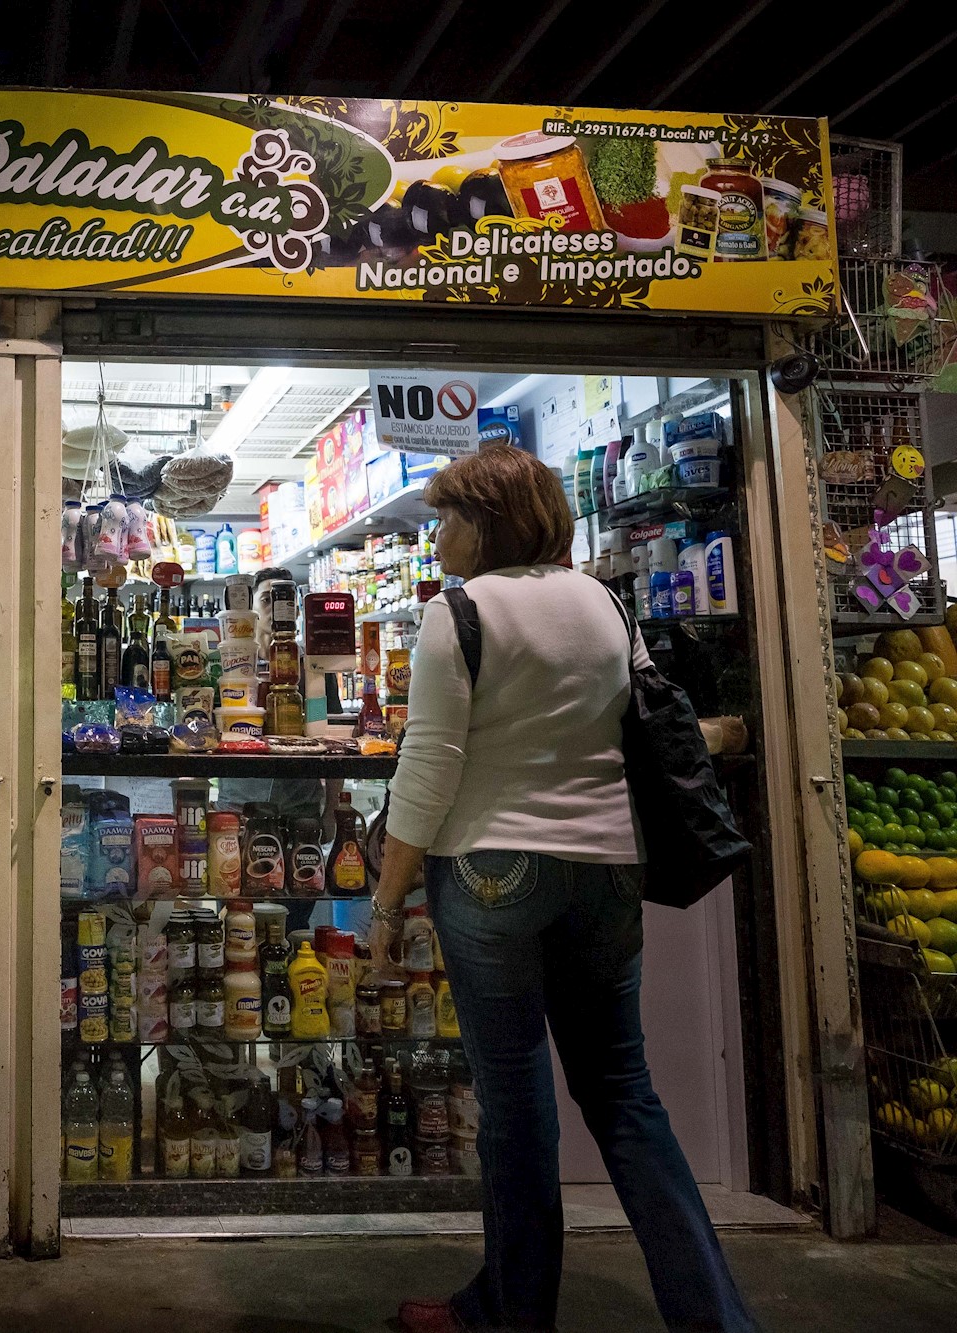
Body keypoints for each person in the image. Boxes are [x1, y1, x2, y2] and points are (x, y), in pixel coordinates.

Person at [368, 446, 753, 1333]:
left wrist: (388, 902)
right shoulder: (605, 604)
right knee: (626, 1093)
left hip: (493, 871)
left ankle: (515, 1312)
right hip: (608, 870)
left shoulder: (455, 615)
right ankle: (717, 1319)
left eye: (448, 517)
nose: (437, 537)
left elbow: (425, 774)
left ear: (489, 522)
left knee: (514, 1103)